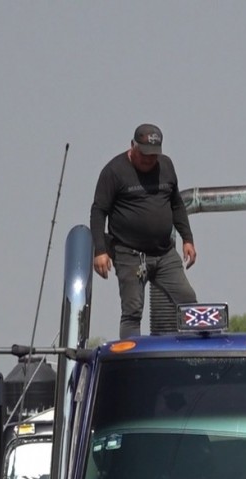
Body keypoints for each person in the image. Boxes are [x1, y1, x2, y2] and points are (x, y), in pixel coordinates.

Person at [90, 123, 197, 339]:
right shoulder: (114, 171)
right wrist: (100, 250)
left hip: (164, 253)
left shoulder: (166, 166)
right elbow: (98, 211)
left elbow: (176, 204)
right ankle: (131, 358)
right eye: (144, 155)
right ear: (133, 146)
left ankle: (198, 350)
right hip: (129, 254)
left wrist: (187, 239)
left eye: (153, 156)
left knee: (188, 300)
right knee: (132, 310)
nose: (149, 160)